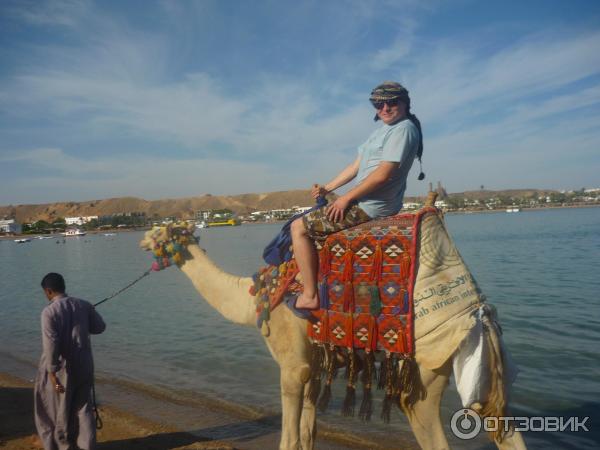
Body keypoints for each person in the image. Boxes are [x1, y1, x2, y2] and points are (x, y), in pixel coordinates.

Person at [292, 81, 424, 309]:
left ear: (404, 103)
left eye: (391, 102)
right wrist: (328, 188)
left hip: (372, 205)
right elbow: (356, 166)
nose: (384, 108)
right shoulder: (382, 131)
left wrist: (346, 198)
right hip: (363, 200)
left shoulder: (404, 129)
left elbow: (383, 174)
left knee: (298, 228)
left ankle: (310, 295)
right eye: (378, 104)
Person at [34, 272, 106, 450]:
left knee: (59, 409)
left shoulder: (48, 312)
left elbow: (51, 344)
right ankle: (87, 446)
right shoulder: (83, 304)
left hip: (62, 369)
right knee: (83, 408)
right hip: (84, 364)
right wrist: (90, 311)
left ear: (48, 291)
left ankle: (65, 446)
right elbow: (100, 327)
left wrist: (51, 373)